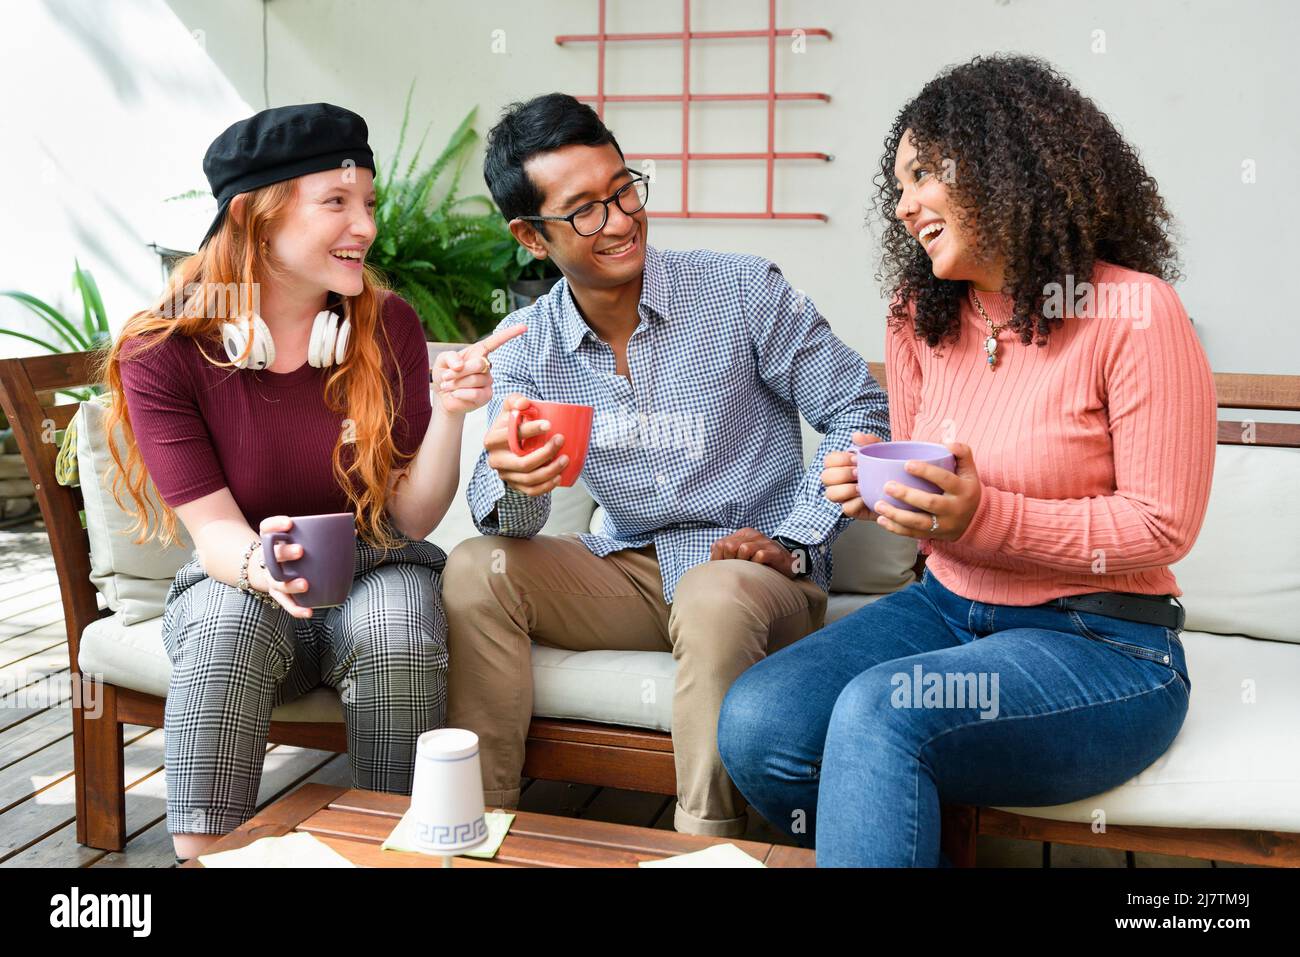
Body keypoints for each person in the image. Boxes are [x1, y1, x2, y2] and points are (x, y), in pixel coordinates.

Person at [717, 55, 1216, 866]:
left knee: (884, 710)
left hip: (1103, 639)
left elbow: (1162, 525)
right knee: (759, 721)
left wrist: (983, 514)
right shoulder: (921, 315)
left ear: (1003, 163)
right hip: (945, 610)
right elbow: (933, 503)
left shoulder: (1134, 312)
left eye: (922, 176)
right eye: (898, 186)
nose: (904, 205)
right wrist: (875, 484)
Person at [441, 93, 889, 837]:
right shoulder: (525, 340)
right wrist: (519, 480)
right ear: (530, 236)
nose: (618, 220)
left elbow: (858, 410)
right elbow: (507, 511)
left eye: (623, 189)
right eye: (584, 210)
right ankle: (479, 829)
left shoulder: (744, 291)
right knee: (473, 567)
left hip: (756, 571)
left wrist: (799, 537)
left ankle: (704, 848)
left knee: (712, 595)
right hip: (631, 568)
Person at [101, 103, 518, 862]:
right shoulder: (162, 352)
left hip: (376, 568)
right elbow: (217, 533)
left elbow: (412, 519)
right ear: (254, 217)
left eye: (369, 203)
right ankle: (208, 855)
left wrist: (454, 412)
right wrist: (267, 567)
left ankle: (398, 848)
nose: (365, 225)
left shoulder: (383, 325)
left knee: (396, 626)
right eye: (336, 202)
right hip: (243, 577)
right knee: (226, 622)